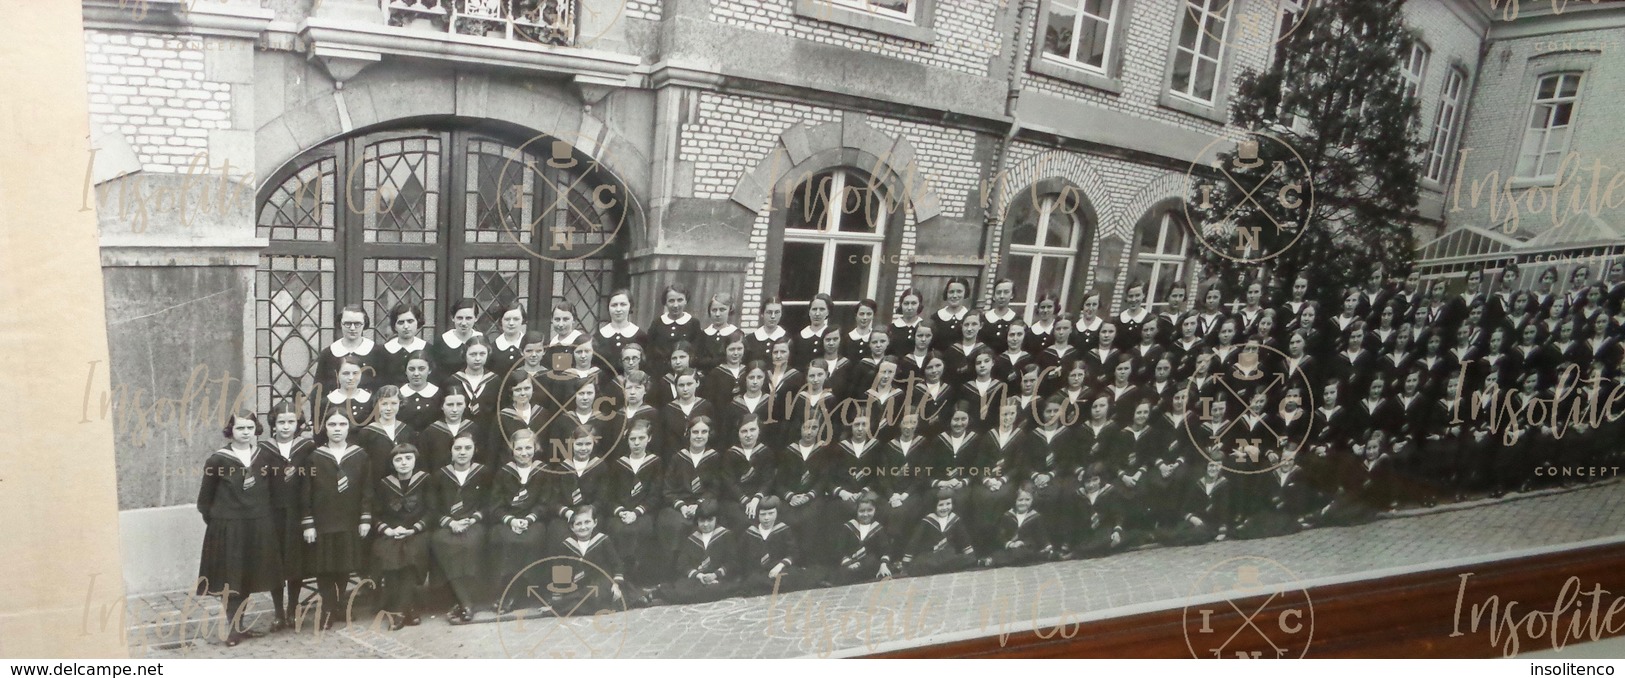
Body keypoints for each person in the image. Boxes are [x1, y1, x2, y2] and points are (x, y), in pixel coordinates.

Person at [197, 410, 283, 646]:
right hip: (230, 527)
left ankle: (246, 625)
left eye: (249, 428)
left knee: (252, 574)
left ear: (256, 429)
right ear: (230, 431)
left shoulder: (263, 456)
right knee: (232, 578)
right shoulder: (218, 460)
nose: (245, 433)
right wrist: (221, 522)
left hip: (259, 523)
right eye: (240, 428)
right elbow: (204, 500)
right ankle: (234, 629)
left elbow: (273, 491)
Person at [301, 406, 374, 631]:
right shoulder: (314, 457)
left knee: (344, 565)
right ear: (325, 428)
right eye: (332, 424)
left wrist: (365, 517)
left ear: (348, 427)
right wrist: (308, 523)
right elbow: (305, 492)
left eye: (342, 424)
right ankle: (327, 608)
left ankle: (340, 603)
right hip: (324, 521)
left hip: (349, 519)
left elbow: (367, 489)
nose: (337, 429)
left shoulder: (359, 455)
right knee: (325, 567)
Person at [427, 430, 492, 624]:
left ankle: (465, 600)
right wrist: (451, 522)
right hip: (448, 524)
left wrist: (473, 519)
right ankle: (466, 602)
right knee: (443, 542)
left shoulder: (483, 473)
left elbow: (490, 504)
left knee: (470, 543)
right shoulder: (439, 475)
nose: (462, 452)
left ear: (475, 450)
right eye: (458, 448)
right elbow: (432, 508)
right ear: (451, 451)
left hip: (473, 523)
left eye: (467, 448)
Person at [261, 402, 315, 631]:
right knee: (275, 562)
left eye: (291, 422)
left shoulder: (307, 447)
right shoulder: (264, 449)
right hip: (272, 512)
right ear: (273, 423)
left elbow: (312, 482)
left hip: (297, 512)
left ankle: (293, 609)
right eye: (281, 422)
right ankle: (278, 612)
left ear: (298, 424)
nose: (286, 426)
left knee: (295, 562)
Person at [487, 430, 551, 615]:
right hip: (508, 520)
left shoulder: (542, 470)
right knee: (506, 540)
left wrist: (530, 518)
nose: (524, 453)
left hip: (534, 519)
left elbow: (546, 502)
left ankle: (531, 589)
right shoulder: (503, 472)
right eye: (519, 448)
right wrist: (511, 520)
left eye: (528, 448)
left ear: (536, 448)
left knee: (532, 539)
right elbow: (495, 504)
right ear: (512, 450)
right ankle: (509, 592)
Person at [371, 444, 429, 630]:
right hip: (391, 533)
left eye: (408, 458)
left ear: (415, 460)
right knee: (389, 552)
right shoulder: (384, 484)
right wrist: (387, 530)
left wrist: (414, 529)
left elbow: (433, 510)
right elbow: (375, 514)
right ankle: (406, 609)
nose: (403, 463)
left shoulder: (425, 480)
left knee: (411, 553)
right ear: (392, 463)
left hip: (416, 532)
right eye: (398, 459)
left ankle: (401, 610)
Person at [540, 505, 630, 615]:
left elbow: (616, 564)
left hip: (601, 582)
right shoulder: (567, 545)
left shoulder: (603, 540)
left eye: (587, 522)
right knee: (573, 598)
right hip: (579, 585)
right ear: (572, 527)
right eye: (578, 524)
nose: (583, 527)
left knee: (596, 594)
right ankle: (565, 607)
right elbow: (561, 573)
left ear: (595, 523)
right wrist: (557, 600)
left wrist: (616, 585)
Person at [607, 419, 663, 585]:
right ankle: (621, 576)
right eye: (632, 439)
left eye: (641, 438)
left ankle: (639, 579)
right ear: (627, 440)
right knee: (618, 529)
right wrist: (621, 511)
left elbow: (655, 495)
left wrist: (637, 512)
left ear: (649, 439)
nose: (637, 443)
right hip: (622, 512)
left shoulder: (655, 462)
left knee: (641, 530)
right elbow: (610, 495)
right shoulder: (619, 464)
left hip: (643, 512)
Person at [654, 499, 738, 604]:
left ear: (716, 519)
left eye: (710, 520)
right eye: (702, 521)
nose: (706, 524)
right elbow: (683, 564)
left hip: (719, 578)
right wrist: (699, 576)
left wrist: (715, 575)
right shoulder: (692, 538)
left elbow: (732, 562)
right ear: (697, 521)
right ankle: (663, 594)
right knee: (684, 589)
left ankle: (668, 596)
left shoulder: (725, 535)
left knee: (721, 588)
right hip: (698, 579)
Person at [738, 495, 821, 595]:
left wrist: (780, 565)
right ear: (757, 515)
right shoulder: (750, 532)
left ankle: (767, 588)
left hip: (779, 569)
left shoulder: (783, 529)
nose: (766, 518)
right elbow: (741, 556)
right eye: (763, 514)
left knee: (791, 577)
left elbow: (793, 553)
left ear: (777, 513)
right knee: (752, 581)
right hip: (758, 571)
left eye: (771, 513)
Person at [900, 488, 976, 577]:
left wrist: (971, 556)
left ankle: (942, 567)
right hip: (930, 554)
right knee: (920, 565)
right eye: (941, 505)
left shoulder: (954, 519)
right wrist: (906, 562)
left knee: (965, 559)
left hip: (948, 554)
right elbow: (915, 540)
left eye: (948, 504)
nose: (945, 508)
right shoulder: (928, 520)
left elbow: (964, 539)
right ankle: (940, 568)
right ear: (934, 505)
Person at [723, 415, 775, 532]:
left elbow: (768, 480)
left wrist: (756, 499)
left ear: (759, 431)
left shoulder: (766, 452)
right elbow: (729, 481)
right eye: (744, 431)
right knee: (741, 521)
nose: (748, 435)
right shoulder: (730, 454)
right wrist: (745, 500)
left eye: (752, 430)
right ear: (738, 433)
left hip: (759, 497)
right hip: (736, 499)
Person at [981, 483, 1053, 567]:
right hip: (1010, 547)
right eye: (1020, 500)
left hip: (1027, 547)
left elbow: (1040, 535)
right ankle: (994, 559)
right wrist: (1009, 543)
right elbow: (1001, 535)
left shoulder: (1035, 516)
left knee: (1023, 552)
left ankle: (994, 561)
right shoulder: (1008, 515)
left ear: (1032, 500)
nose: (1023, 503)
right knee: (1002, 553)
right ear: (1014, 500)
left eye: (1027, 500)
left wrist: (1024, 543)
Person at [831, 492, 895, 585]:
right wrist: (849, 563)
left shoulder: (877, 528)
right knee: (841, 573)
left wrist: (883, 564)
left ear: (875, 510)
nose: (865, 514)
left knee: (872, 561)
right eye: (862, 511)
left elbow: (885, 549)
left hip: (869, 563)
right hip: (850, 562)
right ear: (856, 511)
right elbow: (840, 549)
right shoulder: (849, 527)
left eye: (870, 510)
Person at [317, 304, 380, 395]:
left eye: (357, 324)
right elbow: (318, 392)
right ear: (340, 323)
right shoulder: (328, 354)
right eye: (348, 324)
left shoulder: (377, 353)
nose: (352, 328)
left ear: (364, 324)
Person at [416, 386, 478, 472]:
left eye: (459, 404)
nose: (455, 409)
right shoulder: (430, 432)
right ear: (442, 406)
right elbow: (424, 464)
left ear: (465, 405)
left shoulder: (473, 429)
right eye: (450, 405)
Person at [596, 289, 650, 374]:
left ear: (630, 306)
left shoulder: (640, 336)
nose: (618, 309)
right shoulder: (598, 337)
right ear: (608, 307)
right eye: (614, 305)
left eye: (623, 304)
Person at [379, 303, 432, 388]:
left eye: (410, 321)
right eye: (401, 322)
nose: (406, 326)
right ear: (395, 326)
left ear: (417, 322)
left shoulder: (427, 349)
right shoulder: (384, 351)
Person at [431, 299, 480, 385]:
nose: (464, 323)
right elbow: (435, 373)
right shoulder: (442, 341)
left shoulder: (481, 339)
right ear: (452, 318)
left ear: (476, 318)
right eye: (459, 318)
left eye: (468, 318)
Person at [695, 292, 740, 373]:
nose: (717, 314)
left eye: (722, 310)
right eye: (714, 310)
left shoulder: (737, 334)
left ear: (730, 310)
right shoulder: (703, 335)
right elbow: (698, 360)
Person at [398, 351, 442, 432]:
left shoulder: (438, 395)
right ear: (405, 371)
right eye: (411, 369)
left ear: (429, 370)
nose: (416, 373)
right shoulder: (398, 394)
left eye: (421, 369)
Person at [487, 301, 530, 381]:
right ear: (501, 321)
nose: (511, 323)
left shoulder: (529, 345)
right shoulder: (492, 348)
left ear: (523, 320)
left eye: (516, 319)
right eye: (507, 319)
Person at [931, 277, 973, 354]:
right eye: (951, 292)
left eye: (959, 291)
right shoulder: (936, 318)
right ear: (946, 294)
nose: (954, 295)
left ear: (965, 293)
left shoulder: (970, 317)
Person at [746, 298, 789, 364]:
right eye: (769, 312)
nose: (773, 316)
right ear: (762, 314)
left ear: (781, 314)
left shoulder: (788, 338)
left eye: (777, 312)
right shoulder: (750, 339)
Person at [890, 288, 925, 357]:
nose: (909, 307)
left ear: (919, 305)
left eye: (913, 303)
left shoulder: (925, 327)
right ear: (901, 305)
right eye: (906, 303)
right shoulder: (891, 329)